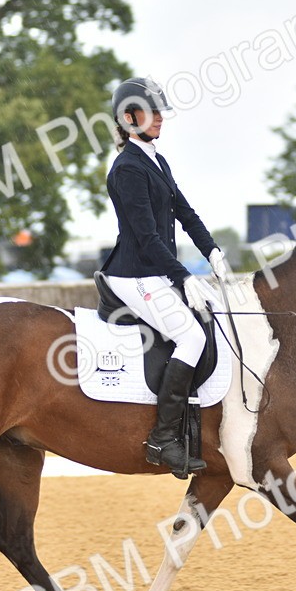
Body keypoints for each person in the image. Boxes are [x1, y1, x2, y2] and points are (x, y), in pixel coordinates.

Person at [103, 77, 231, 479]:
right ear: (129, 117)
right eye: (151, 112)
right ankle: (162, 438)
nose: (160, 118)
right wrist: (184, 276)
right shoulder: (128, 168)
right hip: (134, 273)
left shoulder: (155, 160)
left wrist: (212, 250)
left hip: (155, 271)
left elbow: (185, 212)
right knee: (190, 336)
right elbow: (146, 237)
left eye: (160, 112)